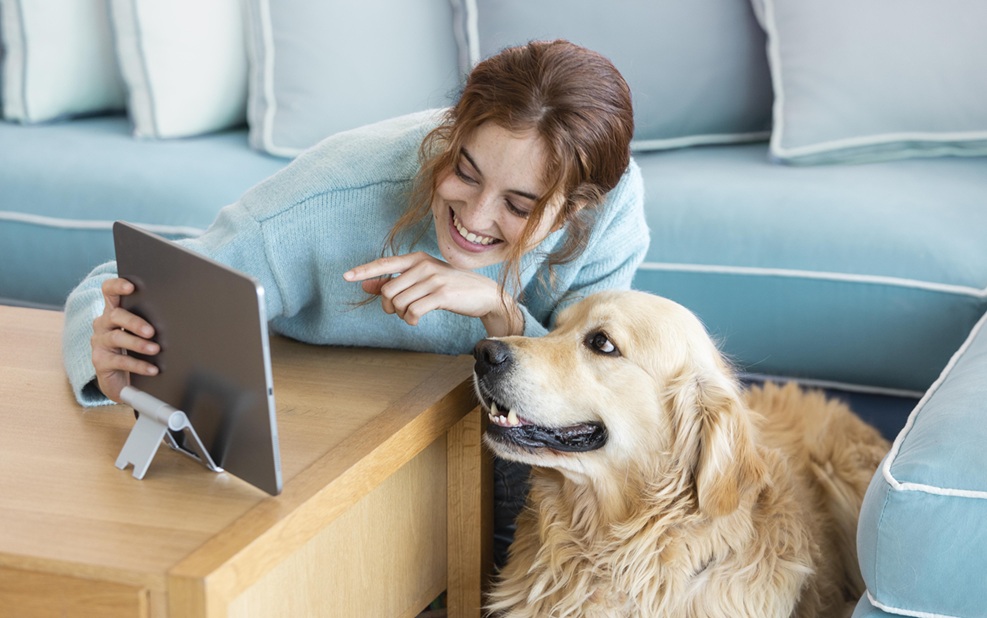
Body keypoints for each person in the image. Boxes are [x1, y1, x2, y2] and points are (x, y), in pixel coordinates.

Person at [61, 39, 648, 565]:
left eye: (518, 206)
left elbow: (591, 392)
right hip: (352, 428)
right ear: (450, 134)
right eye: (465, 172)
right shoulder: (326, 201)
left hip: (495, 435)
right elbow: (114, 282)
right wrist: (115, 358)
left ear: (575, 210)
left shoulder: (608, 206)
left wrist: (502, 312)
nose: (475, 216)